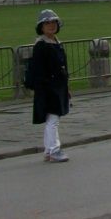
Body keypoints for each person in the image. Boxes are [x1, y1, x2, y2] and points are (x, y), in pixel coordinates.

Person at [26, 9, 71, 163]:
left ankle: (49, 150)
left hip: (58, 86)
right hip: (48, 87)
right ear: (42, 27)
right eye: (47, 23)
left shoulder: (56, 43)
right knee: (53, 120)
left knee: (53, 119)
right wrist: (45, 87)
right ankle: (53, 150)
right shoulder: (42, 45)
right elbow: (39, 70)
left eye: (53, 23)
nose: (51, 26)